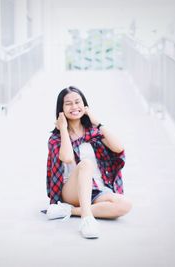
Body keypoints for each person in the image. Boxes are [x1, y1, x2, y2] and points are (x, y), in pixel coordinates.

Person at [46, 86, 132, 239]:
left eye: (77, 102)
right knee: (85, 164)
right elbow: (67, 158)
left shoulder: (94, 132)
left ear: (84, 106)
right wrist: (64, 129)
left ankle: (69, 211)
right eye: (68, 103)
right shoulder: (56, 138)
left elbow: (118, 148)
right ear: (61, 109)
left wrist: (97, 123)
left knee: (125, 205)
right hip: (70, 191)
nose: (74, 107)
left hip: (96, 189)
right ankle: (87, 219)